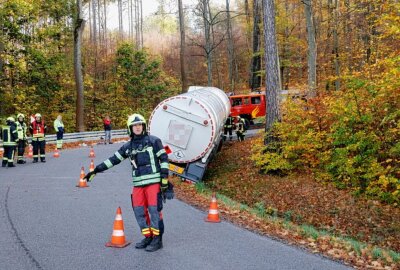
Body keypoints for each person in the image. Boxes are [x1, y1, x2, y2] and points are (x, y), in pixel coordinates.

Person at [84, 114, 173, 252]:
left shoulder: (154, 141)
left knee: (154, 211)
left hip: (153, 182)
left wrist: (164, 180)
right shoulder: (128, 146)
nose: (137, 127)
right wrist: (95, 170)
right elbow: (113, 160)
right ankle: (148, 236)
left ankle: (157, 239)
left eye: (140, 125)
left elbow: (164, 159)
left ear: (143, 126)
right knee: (139, 211)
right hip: (138, 184)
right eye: (134, 125)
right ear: (130, 128)